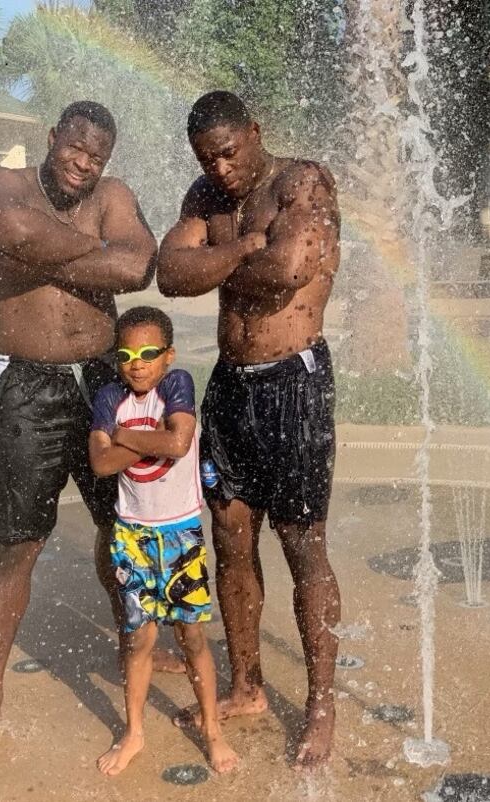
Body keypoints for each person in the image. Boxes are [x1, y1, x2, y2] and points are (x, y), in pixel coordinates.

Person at [0, 101, 163, 753]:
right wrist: (95, 251)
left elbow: (135, 268)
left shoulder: (114, 194)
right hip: (28, 382)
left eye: (96, 156)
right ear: (52, 138)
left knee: (124, 524)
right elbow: (15, 232)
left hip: (103, 380)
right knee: (17, 543)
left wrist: (47, 252)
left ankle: (135, 642)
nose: (83, 164)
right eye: (75, 148)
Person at [157, 91, 341, 768]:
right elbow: (171, 275)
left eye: (230, 152)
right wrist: (242, 247)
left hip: (293, 380)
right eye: (209, 158)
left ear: (255, 133)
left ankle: (321, 704)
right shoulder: (203, 196)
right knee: (231, 539)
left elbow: (288, 270)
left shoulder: (303, 182)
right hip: (231, 385)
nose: (222, 169)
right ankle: (248, 687)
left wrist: (225, 258)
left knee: (301, 542)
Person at [89, 306, 238, 775]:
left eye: (148, 353)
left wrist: (121, 438)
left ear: (167, 356)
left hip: (179, 533)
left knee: (192, 637)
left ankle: (212, 731)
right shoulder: (110, 395)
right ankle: (133, 732)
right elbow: (99, 463)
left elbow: (177, 444)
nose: (137, 363)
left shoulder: (177, 385)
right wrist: (138, 437)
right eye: (127, 354)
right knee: (137, 640)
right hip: (132, 534)